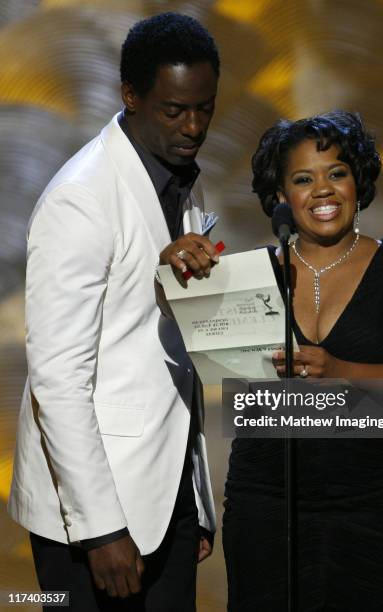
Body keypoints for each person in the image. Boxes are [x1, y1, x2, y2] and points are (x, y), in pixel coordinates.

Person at [8, 12, 221, 612]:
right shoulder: (81, 197)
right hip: (95, 515)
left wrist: (195, 501)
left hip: (168, 491)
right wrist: (101, 529)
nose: (194, 126)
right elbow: (58, 378)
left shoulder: (182, 178)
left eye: (205, 108)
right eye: (175, 110)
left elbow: (167, 350)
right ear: (130, 95)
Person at [223, 111, 383, 611]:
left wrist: (343, 370)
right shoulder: (254, 273)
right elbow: (184, 324)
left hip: (377, 499)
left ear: (357, 181)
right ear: (281, 196)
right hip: (267, 498)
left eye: (337, 173)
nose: (322, 189)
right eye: (303, 179)